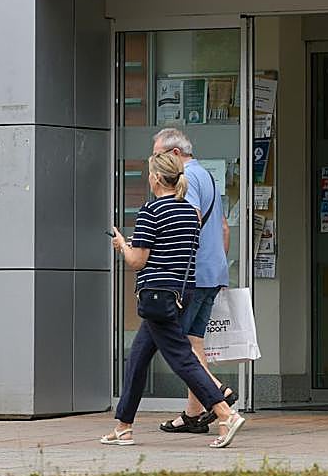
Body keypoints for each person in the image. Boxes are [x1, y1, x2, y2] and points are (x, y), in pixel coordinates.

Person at [103, 150, 245, 449]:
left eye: (149, 173)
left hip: (156, 296)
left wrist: (123, 245)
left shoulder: (150, 211)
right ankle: (123, 427)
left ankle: (225, 413)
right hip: (182, 292)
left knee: (182, 359)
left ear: (156, 178)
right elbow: (176, 249)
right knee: (137, 359)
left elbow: (137, 261)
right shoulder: (190, 212)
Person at [150, 128, 237, 435]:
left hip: (191, 274)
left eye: (158, 155)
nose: (154, 163)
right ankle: (193, 413)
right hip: (212, 271)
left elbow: (190, 219)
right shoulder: (208, 176)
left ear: (175, 153)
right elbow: (223, 227)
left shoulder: (186, 178)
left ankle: (219, 392)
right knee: (194, 342)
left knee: (180, 346)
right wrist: (220, 267)